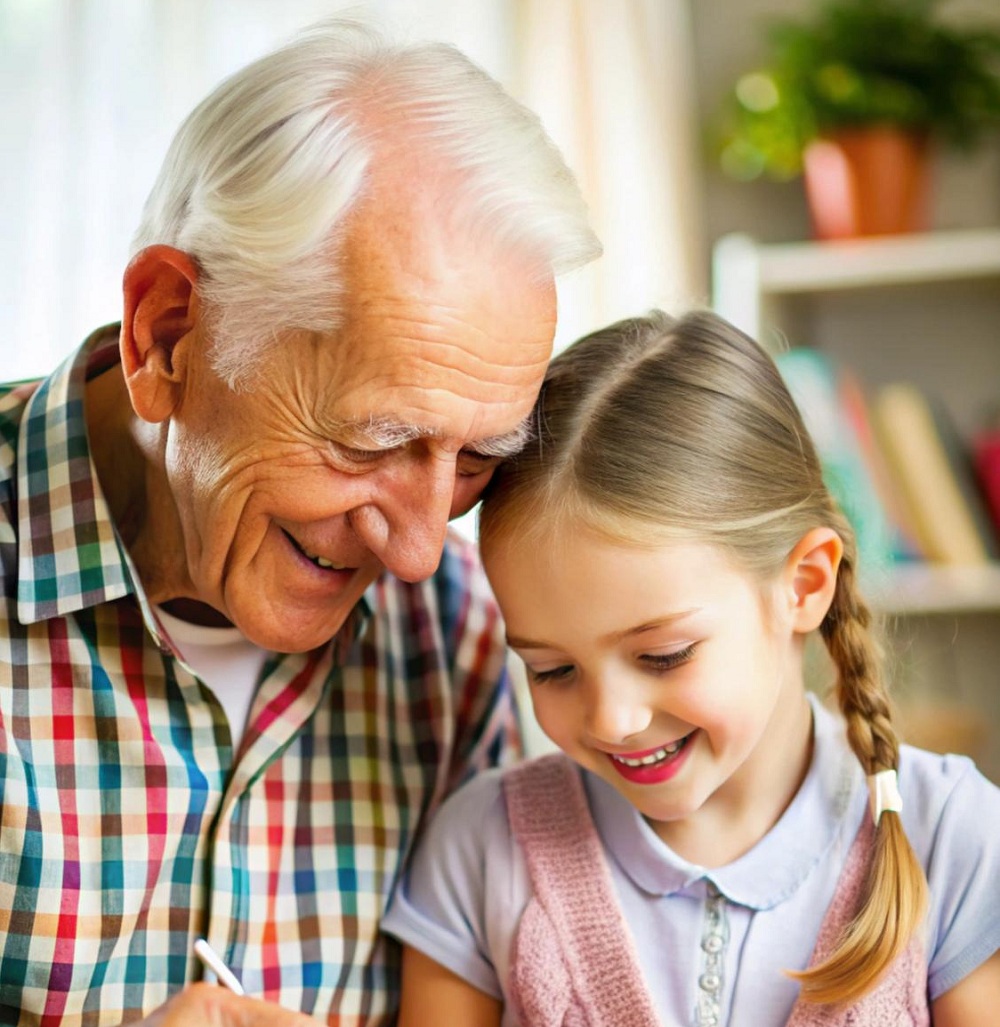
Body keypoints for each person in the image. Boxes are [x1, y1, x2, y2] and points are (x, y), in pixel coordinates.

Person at [0, 17, 600, 1027]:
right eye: (372, 440)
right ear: (167, 333)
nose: (419, 553)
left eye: (475, 459)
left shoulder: (456, 634)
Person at [383, 310, 1000, 1026]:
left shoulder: (955, 836)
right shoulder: (479, 853)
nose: (612, 719)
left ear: (804, 585)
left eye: (663, 655)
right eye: (551, 669)